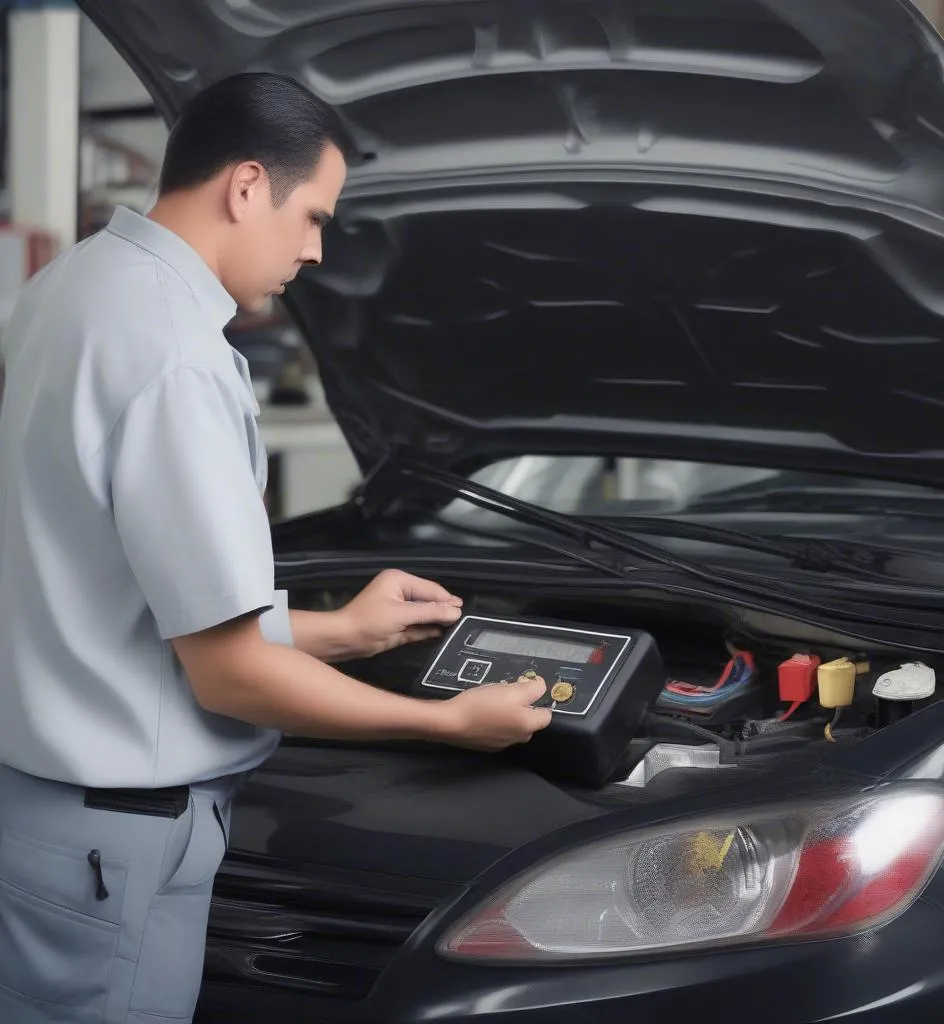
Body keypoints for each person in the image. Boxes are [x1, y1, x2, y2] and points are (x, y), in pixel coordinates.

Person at [0, 72, 551, 1024]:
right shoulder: (177, 355)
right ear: (247, 185)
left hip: (39, 819)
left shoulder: (67, 289)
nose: (316, 249)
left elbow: (117, 602)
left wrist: (341, 630)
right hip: (116, 850)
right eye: (313, 216)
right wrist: (448, 724)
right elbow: (230, 679)